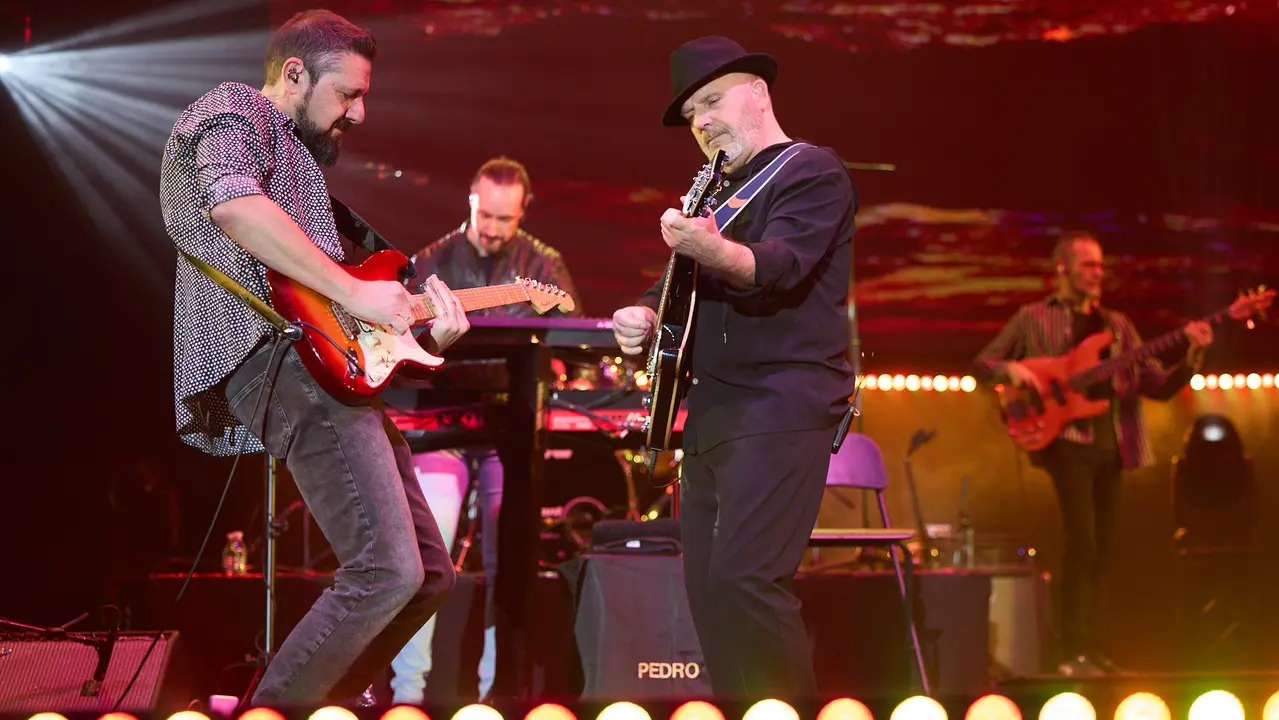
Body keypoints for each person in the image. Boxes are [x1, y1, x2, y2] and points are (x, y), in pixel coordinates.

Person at [160, 9, 468, 705]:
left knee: (425, 574)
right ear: (294, 74)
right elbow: (234, 207)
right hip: (279, 361)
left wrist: (418, 333)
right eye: (349, 93)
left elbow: (342, 299)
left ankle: (320, 706)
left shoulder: (301, 170)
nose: (360, 112)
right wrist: (358, 302)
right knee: (385, 571)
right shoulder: (234, 108)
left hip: (323, 366)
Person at [611, 36, 858, 699]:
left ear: (759, 94)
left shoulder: (810, 171)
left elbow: (776, 268)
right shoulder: (716, 194)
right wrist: (639, 315)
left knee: (747, 582)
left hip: (781, 400)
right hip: (714, 408)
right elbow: (678, 289)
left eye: (712, 101)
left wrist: (707, 247)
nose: (702, 123)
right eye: (692, 114)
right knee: (710, 593)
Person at [973, 231, 1214, 676]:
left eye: (1101, 265)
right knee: (1081, 543)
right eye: (1089, 265)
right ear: (1062, 268)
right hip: (1067, 445)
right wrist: (1017, 368)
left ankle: (1092, 650)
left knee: (1101, 549)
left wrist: (1192, 355)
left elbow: (1156, 385)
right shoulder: (1032, 318)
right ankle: (1072, 653)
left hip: (1112, 445)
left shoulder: (1117, 326)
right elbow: (983, 364)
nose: (1098, 273)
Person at [388, 156, 581, 705]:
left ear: (524, 212)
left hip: (509, 430)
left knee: (509, 558)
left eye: (506, 219)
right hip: (440, 424)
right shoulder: (432, 259)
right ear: (470, 200)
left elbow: (567, 346)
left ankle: (498, 698)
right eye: (485, 215)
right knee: (427, 555)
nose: (493, 229)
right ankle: (407, 698)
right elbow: (399, 345)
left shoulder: (543, 264)